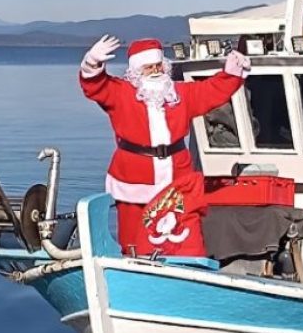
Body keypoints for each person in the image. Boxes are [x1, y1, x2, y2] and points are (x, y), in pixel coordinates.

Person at [79, 35, 250, 255]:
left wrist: (232, 73)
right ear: (136, 72)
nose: (156, 71)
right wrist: (92, 63)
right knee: (133, 238)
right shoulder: (120, 93)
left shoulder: (179, 94)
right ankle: (134, 269)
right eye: (148, 67)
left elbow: (211, 91)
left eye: (159, 65)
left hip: (176, 175)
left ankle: (186, 269)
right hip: (133, 177)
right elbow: (94, 85)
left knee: (183, 232)